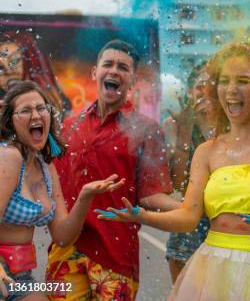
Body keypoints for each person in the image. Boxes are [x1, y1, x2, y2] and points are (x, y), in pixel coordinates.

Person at [97, 42, 250, 300]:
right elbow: (188, 217)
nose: (231, 90)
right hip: (212, 267)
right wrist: (140, 216)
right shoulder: (206, 151)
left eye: (242, 80)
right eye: (224, 81)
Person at [44, 40, 178, 301]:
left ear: (133, 79)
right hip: (66, 252)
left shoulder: (146, 130)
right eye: (108, 64)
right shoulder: (70, 127)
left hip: (115, 258)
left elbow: (151, 196)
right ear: (95, 73)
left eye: (123, 67)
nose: (114, 71)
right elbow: (54, 190)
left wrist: (190, 209)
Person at [0, 81, 124, 301]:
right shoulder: (9, 157)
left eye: (41, 108)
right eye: (26, 110)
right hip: (3, 274)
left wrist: (85, 197)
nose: (36, 115)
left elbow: (63, 237)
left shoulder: (45, 166)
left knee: (62, 292)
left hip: (21, 278)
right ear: (11, 121)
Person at [162, 62, 213, 283]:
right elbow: (179, 184)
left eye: (211, 85)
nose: (205, 91)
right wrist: (183, 136)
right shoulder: (174, 125)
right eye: (200, 86)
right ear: (190, 91)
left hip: (225, 225)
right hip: (188, 229)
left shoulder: (233, 125)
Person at [0, 32, 72, 116]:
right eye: (0, 67)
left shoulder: (57, 108)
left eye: (15, 61)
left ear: (32, 62)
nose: (9, 71)